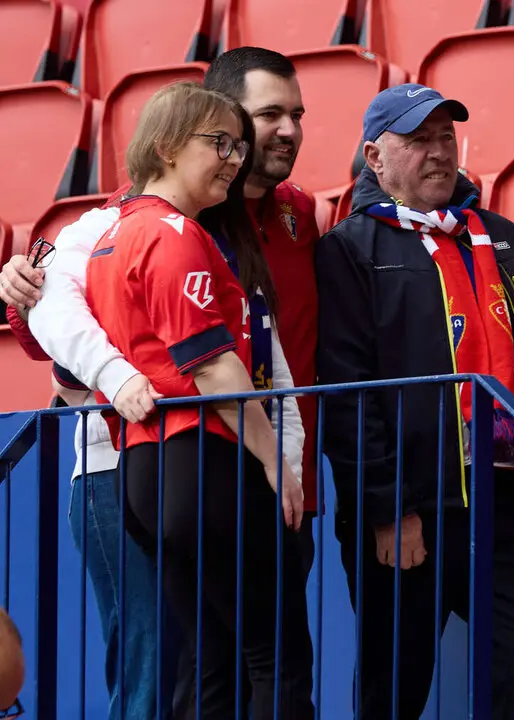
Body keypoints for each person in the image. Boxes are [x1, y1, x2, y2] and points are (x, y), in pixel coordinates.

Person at [314, 84, 514, 719]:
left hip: (504, 503)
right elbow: (349, 393)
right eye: (417, 140)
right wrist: (389, 509)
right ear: (375, 156)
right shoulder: (349, 248)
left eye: (445, 138)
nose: (437, 153)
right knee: (394, 688)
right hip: (410, 514)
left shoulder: (501, 235)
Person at [83, 81, 313, 719]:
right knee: (276, 660)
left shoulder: (112, 237)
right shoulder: (173, 233)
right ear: (164, 147)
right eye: (219, 143)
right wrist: (275, 461)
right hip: (205, 465)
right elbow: (212, 368)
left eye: (240, 146)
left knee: (211, 657)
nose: (235, 159)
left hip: (146, 475)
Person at [203, 47, 322, 569]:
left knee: (283, 650)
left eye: (296, 115)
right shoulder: (165, 211)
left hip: (292, 484)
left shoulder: (300, 212)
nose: (290, 130)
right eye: (270, 114)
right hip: (204, 480)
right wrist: (22, 283)